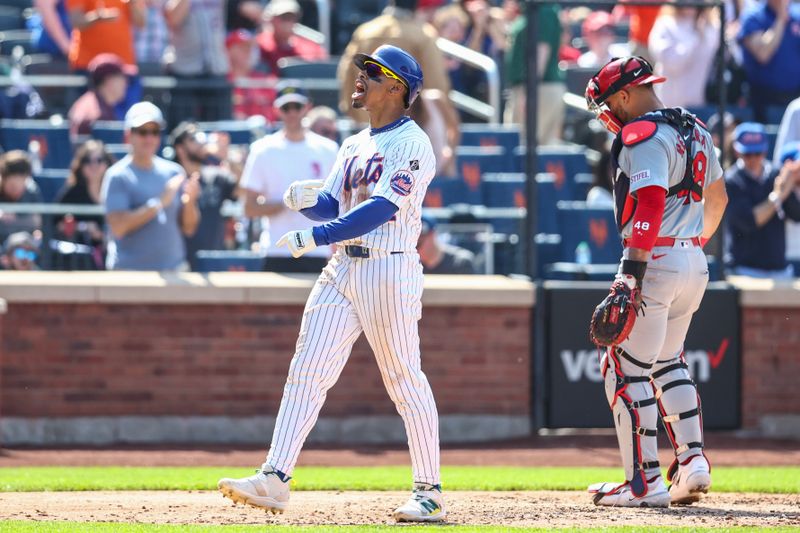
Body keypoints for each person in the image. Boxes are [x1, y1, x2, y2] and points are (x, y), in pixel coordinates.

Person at [218, 45, 445, 523]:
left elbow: (382, 208)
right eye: (364, 69)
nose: (361, 76)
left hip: (389, 266)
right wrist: (310, 202)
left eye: (374, 71)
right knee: (307, 369)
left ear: (397, 88)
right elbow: (335, 204)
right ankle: (275, 477)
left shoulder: (413, 142)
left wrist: (317, 232)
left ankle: (428, 491)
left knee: (403, 379)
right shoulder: (354, 143)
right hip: (343, 268)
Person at [584, 56, 728, 507]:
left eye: (609, 101)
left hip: (655, 258)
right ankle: (693, 463)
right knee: (667, 362)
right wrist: (692, 244)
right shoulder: (698, 129)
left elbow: (647, 204)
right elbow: (719, 198)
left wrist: (632, 272)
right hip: (692, 258)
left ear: (625, 95)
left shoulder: (641, 134)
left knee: (623, 369)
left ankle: (643, 484)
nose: (608, 112)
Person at [239, 82, 338, 273]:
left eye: (297, 107)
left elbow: (339, 201)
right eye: (286, 108)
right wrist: (287, 204)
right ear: (278, 110)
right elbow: (249, 208)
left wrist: (306, 204)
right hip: (277, 249)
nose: (292, 113)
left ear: (307, 107)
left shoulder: (328, 150)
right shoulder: (263, 150)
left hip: (316, 248)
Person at [101, 102, 201, 271]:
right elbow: (119, 227)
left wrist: (190, 202)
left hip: (173, 271)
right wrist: (159, 202)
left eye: (154, 132)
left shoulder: (174, 172)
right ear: (128, 135)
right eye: (142, 132)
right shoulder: (117, 176)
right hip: (130, 275)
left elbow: (189, 228)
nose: (149, 138)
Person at [337, 0, 455, 126]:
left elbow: (346, 72)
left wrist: (350, 109)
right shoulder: (424, 34)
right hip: (407, 125)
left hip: (367, 120)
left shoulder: (365, 32)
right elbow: (436, 83)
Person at [724, 123, 800, 278]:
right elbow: (749, 222)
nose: (753, 158)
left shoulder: (775, 174)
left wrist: (793, 182)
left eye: (757, 153)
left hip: (779, 268)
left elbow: (796, 214)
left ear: (765, 150)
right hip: (744, 270)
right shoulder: (731, 180)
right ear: (737, 151)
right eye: (748, 154)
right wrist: (778, 195)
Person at [169, 122, 240, 270]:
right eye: (192, 139)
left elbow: (244, 189)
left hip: (214, 263)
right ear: (180, 149)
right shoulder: (171, 179)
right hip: (178, 264)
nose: (200, 142)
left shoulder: (217, 176)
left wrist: (228, 157)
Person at [504, 2, 565, 143]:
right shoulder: (530, 9)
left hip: (539, 88)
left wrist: (529, 92)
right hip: (535, 87)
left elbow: (541, 53)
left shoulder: (543, 10)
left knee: (526, 146)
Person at [164, 0, 230, 124]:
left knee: (219, 129)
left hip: (216, 69)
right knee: (184, 127)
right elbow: (173, 19)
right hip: (185, 72)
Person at [738, 0, 800, 123]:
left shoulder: (797, 15)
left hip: (795, 99)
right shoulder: (753, 16)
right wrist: (781, 18)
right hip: (762, 105)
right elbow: (763, 54)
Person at [55, 139, 114, 269]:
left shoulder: (117, 189)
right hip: (81, 258)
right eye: (88, 160)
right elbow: (56, 224)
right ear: (81, 165)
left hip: (114, 250)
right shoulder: (72, 192)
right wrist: (83, 227)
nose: (94, 165)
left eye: (99, 160)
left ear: (107, 163)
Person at [648, 5, 719, 109]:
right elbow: (673, 63)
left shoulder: (711, 27)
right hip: (669, 104)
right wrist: (695, 36)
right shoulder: (665, 24)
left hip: (700, 104)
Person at [68, 53, 134, 138]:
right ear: (109, 81)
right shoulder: (100, 115)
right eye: (123, 78)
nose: (126, 83)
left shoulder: (88, 101)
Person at [66, 0, 144, 71]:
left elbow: (141, 23)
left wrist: (133, 3)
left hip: (124, 64)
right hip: (87, 65)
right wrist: (97, 17)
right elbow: (76, 22)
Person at [256, 0, 328, 75]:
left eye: (291, 17)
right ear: (271, 20)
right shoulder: (259, 46)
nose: (288, 22)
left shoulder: (312, 50)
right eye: (284, 17)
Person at [227, 28, 279, 124]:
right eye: (242, 47)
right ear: (229, 50)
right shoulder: (222, 81)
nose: (247, 52)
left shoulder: (266, 80)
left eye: (249, 48)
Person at [0, 150, 43, 244]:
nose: (17, 190)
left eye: (22, 185)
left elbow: (36, 222)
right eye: (12, 186)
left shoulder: (32, 190)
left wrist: (12, 220)